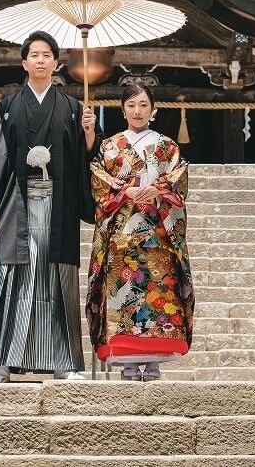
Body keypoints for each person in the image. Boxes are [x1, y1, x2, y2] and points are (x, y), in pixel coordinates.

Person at [0, 30, 99, 383]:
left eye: (47, 55)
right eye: (34, 55)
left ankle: (64, 362)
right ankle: (1, 364)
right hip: (16, 206)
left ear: (56, 63)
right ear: (24, 63)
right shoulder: (6, 108)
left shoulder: (72, 110)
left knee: (57, 281)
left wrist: (88, 136)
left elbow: (82, 162)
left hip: (58, 207)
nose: (40, 60)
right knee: (12, 279)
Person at [86, 85, 193, 381]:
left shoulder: (167, 146)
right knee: (124, 296)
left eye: (144, 105)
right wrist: (125, 190)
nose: (137, 110)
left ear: (154, 111)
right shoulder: (109, 147)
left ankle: (156, 358)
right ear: (123, 110)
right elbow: (98, 179)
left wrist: (157, 189)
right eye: (131, 105)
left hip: (157, 234)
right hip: (122, 236)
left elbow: (178, 179)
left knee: (158, 294)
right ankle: (127, 360)